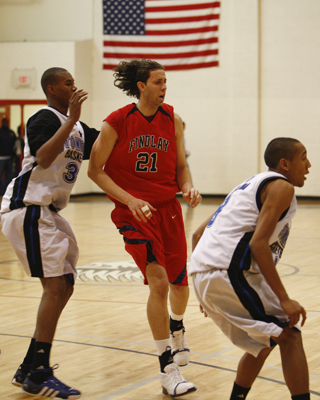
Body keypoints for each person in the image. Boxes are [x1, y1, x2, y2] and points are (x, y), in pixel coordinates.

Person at [88, 59, 201, 397]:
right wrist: (130, 200)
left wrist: (190, 186)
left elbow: (181, 167)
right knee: (160, 283)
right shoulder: (116, 122)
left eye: (165, 81)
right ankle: (167, 368)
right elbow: (95, 170)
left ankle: (177, 327)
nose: (164, 87)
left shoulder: (174, 121)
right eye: (157, 82)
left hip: (169, 210)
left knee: (181, 285)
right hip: (133, 214)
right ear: (141, 85)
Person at [0, 67, 99, 399]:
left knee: (66, 284)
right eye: (68, 82)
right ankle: (39, 373)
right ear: (51, 87)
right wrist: (72, 119)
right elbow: (43, 158)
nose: (74, 85)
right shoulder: (44, 117)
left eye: (74, 80)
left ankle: (30, 366)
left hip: (50, 212)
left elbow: (110, 144)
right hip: (27, 206)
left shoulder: (80, 129)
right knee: (54, 286)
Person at [189, 137, 311, 400]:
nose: (309, 165)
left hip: (208, 271)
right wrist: (284, 298)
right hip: (226, 271)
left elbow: (198, 236)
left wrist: (206, 289)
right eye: (303, 157)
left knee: (262, 343)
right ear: (285, 163)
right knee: (290, 335)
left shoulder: (248, 185)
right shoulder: (281, 187)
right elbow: (258, 245)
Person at [0, 117, 16, 195]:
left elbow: (15, 144)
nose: (6, 124)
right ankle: (1, 191)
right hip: (1, 158)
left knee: (9, 176)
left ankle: (7, 191)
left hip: (9, 157)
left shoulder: (11, 133)